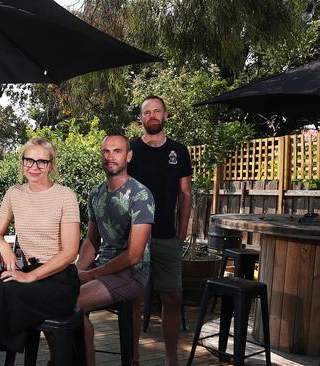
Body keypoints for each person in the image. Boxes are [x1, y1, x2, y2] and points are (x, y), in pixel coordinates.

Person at [0, 137, 81, 366]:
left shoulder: (66, 196)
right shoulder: (14, 194)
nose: (34, 167)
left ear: (51, 165)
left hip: (59, 279)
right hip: (29, 273)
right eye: (29, 160)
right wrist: (4, 247)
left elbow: (69, 252)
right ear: (22, 161)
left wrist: (29, 276)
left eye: (42, 162)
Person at [76, 134, 155, 366]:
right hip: (103, 268)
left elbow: (134, 255)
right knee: (59, 292)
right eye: (106, 151)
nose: (111, 156)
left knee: (71, 303)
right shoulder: (95, 193)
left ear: (128, 156)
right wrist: (77, 271)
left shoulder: (140, 195)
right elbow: (92, 241)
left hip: (133, 272)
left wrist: (91, 275)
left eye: (117, 151)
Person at [127, 95, 193, 366]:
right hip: (135, 239)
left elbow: (185, 194)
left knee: (173, 298)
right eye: (146, 112)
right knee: (134, 299)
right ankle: (133, 356)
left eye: (157, 112)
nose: (152, 116)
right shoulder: (130, 150)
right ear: (140, 118)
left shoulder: (179, 150)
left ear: (166, 116)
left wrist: (181, 234)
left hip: (167, 236)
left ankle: (171, 358)